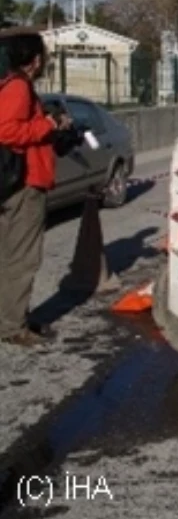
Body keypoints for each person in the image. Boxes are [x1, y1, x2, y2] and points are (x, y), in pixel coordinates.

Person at [0, 32, 72, 346]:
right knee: (22, 259)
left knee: (10, 256)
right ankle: (11, 326)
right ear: (35, 60)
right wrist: (49, 126)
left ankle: (12, 317)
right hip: (25, 183)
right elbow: (7, 130)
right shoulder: (18, 88)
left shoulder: (11, 85)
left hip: (20, 182)